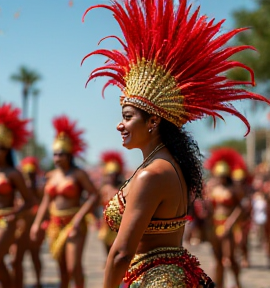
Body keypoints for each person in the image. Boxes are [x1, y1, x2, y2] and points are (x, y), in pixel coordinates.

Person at [82, 0, 270, 287]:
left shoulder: (151, 174)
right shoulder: (167, 165)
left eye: (128, 116)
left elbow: (121, 252)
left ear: (153, 122)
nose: (119, 124)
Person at [30, 115, 99, 288]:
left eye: (61, 154)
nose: (57, 158)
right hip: (55, 225)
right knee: (61, 268)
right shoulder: (50, 176)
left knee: (73, 266)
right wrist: (37, 224)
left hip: (73, 224)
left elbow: (94, 195)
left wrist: (78, 218)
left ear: (69, 155)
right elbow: (46, 201)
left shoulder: (78, 174)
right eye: (54, 154)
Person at [0, 102, 34, 288]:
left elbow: (30, 201)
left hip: (4, 223)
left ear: (7, 149)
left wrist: (14, 215)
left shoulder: (13, 173)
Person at [204, 148, 248, 288]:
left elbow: (240, 208)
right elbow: (209, 208)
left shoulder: (234, 189)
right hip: (214, 225)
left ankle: (238, 283)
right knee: (217, 259)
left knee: (229, 258)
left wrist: (230, 223)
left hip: (228, 224)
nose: (221, 177)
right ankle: (218, 285)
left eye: (223, 175)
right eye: (219, 175)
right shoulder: (212, 188)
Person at [11, 156, 44, 288]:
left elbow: (43, 208)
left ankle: (38, 282)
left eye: (31, 174)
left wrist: (40, 224)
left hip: (33, 229)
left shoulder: (39, 190)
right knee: (16, 260)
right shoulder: (19, 188)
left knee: (35, 256)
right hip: (20, 230)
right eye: (26, 174)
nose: (29, 177)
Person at [98, 150, 126, 254]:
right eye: (110, 174)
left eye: (114, 174)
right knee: (106, 244)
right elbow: (98, 203)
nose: (112, 176)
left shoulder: (123, 188)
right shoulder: (103, 189)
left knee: (116, 248)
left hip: (119, 223)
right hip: (105, 223)